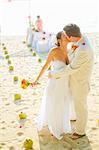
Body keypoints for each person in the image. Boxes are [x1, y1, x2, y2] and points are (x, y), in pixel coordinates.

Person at [49, 24, 94, 139]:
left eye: (65, 35)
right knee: (76, 104)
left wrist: (55, 74)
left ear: (72, 37)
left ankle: (80, 131)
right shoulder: (81, 38)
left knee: (81, 106)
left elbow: (71, 68)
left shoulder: (83, 50)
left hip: (80, 83)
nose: (64, 37)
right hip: (74, 80)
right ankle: (74, 120)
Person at [31, 31, 75, 139]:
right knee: (55, 105)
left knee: (63, 105)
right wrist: (36, 80)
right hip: (54, 85)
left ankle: (59, 124)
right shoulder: (54, 51)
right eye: (64, 35)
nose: (67, 36)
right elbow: (45, 66)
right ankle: (54, 127)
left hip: (64, 85)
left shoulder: (69, 51)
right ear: (59, 39)